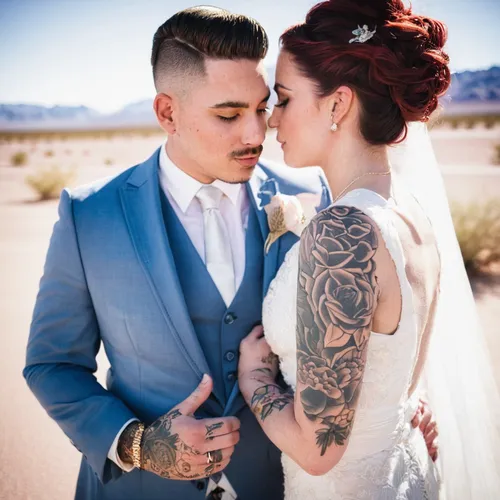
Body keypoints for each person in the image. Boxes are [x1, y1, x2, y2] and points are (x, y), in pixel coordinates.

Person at [24, 6, 437, 500]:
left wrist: (406, 405)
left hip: (277, 483)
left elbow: (371, 323)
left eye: (262, 107)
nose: (256, 134)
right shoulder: (90, 215)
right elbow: (52, 365)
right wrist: (137, 444)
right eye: (228, 114)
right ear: (167, 113)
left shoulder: (319, 198)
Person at [238, 0, 500, 499]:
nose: (272, 120)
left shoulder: (342, 231)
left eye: (286, 99)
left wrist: (254, 380)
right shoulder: (412, 215)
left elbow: (318, 449)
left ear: (337, 105)